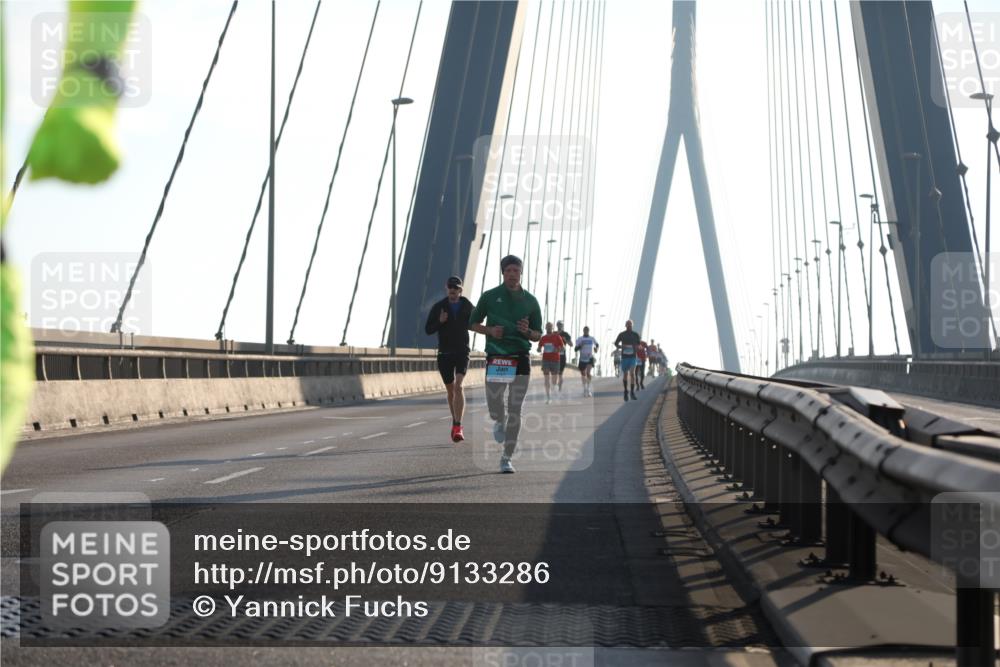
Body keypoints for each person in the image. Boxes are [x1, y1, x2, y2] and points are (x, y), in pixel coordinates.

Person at [469, 255, 543, 474]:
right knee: (494, 406)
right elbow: (472, 322)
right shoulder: (490, 297)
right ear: (503, 273)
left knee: (515, 409)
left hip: (520, 356)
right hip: (497, 356)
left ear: (521, 273)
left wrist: (527, 332)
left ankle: (507, 457)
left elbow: (538, 335)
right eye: (509, 270)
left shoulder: (531, 301)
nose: (512, 274)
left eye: (516, 270)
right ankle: (498, 421)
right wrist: (490, 331)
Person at [424, 276, 474, 442]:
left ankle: (458, 425)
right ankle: (455, 422)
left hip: (462, 352)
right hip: (444, 353)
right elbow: (428, 330)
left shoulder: (467, 306)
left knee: (459, 386)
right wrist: (440, 321)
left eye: (456, 288)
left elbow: (477, 322)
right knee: (450, 390)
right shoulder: (439, 307)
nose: (453, 290)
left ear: (460, 290)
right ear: (447, 289)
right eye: (450, 287)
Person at [614, 320, 642, 402]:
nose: (629, 326)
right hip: (624, 357)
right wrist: (621, 347)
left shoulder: (635, 334)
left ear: (632, 325)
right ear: (625, 325)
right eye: (628, 325)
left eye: (630, 325)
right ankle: (626, 391)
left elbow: (638, 344)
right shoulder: (622, 334)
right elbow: (616, 343)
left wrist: (638, 347)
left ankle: (632, 392)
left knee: (632, 374)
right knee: (625, 374)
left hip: (633, 357)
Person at [537, 322, 565, 404]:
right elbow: (539, 348)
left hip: (555, 360)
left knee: (554, 381)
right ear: (545, 328)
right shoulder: (543, 338)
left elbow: (563, 348)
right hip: (546, 360)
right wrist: (538, 350)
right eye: (547, 326)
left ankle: (554, 388)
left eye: (550, 327)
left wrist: (558, 350)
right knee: (546, 379)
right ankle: (548, 398)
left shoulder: (557, 337)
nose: (549, 328)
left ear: (553, 328)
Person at [574, 327, 599, 397]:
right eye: (585, 330)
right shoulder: (580, 339)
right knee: (583, 374)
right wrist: (580, 346)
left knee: (588, 373)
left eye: (587, 330)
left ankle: (588, 389)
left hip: (590, 358)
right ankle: (584, 388)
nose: (586, 331)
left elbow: (597, 344)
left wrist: (596, 349)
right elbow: (575, 349)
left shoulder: (592, 338)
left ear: (588, 331)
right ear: (583, 331)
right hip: (582, 358)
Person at [555, 320, 573, 393]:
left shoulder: (566, 334)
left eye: (561, 325)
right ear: (557, 325)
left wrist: (566, 340)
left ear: (562, 326)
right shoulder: (554, 333)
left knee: (560, 373)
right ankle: (556, 385)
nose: (559, 326)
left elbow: (571, 344)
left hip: (562, 356)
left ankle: (559, 387)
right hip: (554, 355)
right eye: (558, 325)